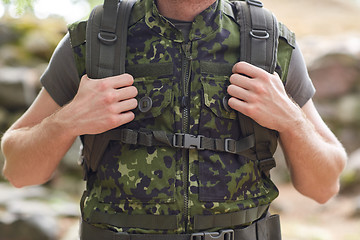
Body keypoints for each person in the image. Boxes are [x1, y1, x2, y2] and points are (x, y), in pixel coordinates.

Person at [1, 0, 347, 239]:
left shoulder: (268, 42)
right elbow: (18, 171)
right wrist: (68, 121)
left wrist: (291, 120)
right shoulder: (96, 39)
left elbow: (323, 186)